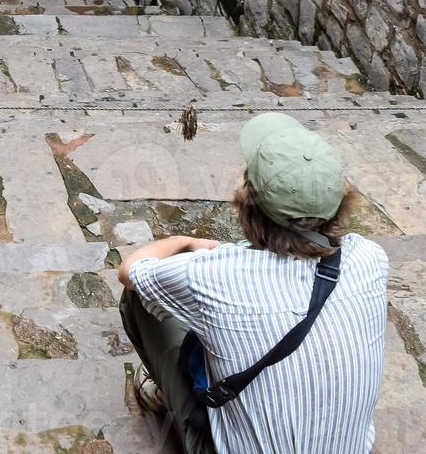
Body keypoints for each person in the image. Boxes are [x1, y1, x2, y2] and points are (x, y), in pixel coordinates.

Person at [117, 112, 389, 454]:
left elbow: (130, 270)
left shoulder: (212, 274)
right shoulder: (370, 258)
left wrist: (185, 242)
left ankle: (169, 397)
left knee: (137, 298)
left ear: (249, 207)